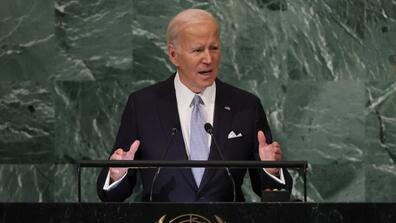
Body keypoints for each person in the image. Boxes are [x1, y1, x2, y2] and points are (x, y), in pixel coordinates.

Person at [97, 8, 292, 202]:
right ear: (173, 55)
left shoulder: (246, 106)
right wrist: (117, 175)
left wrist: (271, 169)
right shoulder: (143, 105)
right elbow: (111, 195)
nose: (208, 59)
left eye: (214, 48)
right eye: (198, 50)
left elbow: (274, 195)